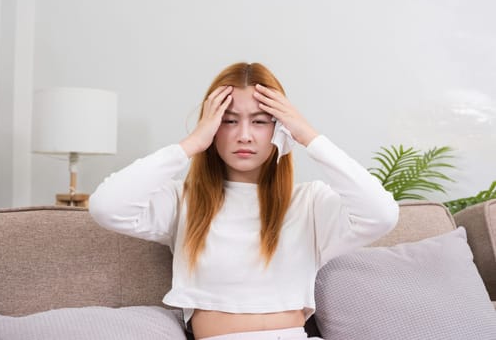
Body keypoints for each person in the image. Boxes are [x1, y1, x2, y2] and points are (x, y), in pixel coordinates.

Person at [89, 62, 399, 340]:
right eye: (229, 121)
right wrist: (192, 143)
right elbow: (107, 206)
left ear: (280, 130)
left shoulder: (310, 203)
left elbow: (381, 214)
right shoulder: (183, 201)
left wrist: (307, 135)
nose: (245, 135)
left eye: (261, 122)